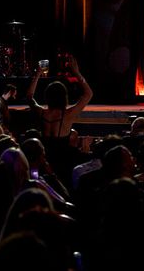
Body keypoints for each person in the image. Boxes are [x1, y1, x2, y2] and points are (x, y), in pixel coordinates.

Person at [26, 54, 93, 189]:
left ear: (47, 96)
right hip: (64, 162)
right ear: (64, 97)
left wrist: (38, 74)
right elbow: (88, 94)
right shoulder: (68, 115)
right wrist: (76, 72)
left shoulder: (42, 113)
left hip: (46, 161)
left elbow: (29, 96)